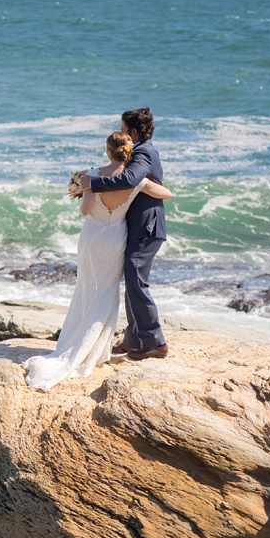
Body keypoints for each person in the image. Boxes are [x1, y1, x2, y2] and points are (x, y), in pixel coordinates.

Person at [24, 131, 174, 390]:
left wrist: (83, 188)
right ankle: (97, 349)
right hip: (117, 238)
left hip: (93, 238)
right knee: (107, 292)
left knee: (86, 288)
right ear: (129, 151)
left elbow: (85, 211)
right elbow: (167, 194)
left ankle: (76, 343)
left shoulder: (92, 177)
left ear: (107, 151)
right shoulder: (138, 182)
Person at [88, 107, 169, 360]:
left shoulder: (142, 152)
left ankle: (155, 342)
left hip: (147, 226)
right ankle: (134, 339)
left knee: (136, 280)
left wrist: (92, 183)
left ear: (133, 131)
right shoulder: (144, 150)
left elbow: (130, 179)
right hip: (141, 226)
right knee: (133, 281)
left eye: (123, 129)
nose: (121, 134)